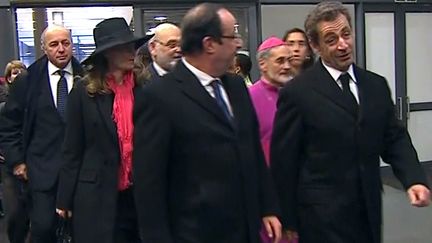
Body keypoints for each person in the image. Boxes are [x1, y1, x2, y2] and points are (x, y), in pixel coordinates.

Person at [270, 2, 430, 243]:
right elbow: (284, 160)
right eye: (331, 39)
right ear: (315, 45)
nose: (343, 44)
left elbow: (393, 137)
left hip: (368, 208)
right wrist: (288, 219)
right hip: (320, 215)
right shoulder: (298, 92)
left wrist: (413, 178)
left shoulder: (374, 85)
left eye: (346, 34)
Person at [133, 3, 281, 243]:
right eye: (232, 36)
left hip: (245, 229)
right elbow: (149, 183)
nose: (239, 43)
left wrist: (268, 207)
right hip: (195, 232)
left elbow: (251, 149)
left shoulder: (236, 87)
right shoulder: (160, 97)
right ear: (209, 44)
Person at [55, 17, 152, 243]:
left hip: (138, 193)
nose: (132, 52)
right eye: (124, 48)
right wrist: (64, 200)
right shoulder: (83, 92)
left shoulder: (144, 87)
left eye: (133, 47)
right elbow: (72, 148)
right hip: (97, 194)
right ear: (108, 53)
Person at [0, 25, 84, 243]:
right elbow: (9, 124)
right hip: (40, 171)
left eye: (65, 43)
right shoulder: (27, 81)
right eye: (54, 44)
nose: (61, 49)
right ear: (44, 48)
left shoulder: (86, 77)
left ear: (72, 45)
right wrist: (17, 161)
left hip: (80, 171)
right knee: (43, 228)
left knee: (81, 230)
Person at [249, 36, 293, 165]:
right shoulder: (249, 97)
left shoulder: (297, 93)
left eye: (289, 60)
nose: (287, 66)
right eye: (280, 61)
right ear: (263, 64)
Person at [0, 60, 30, 243]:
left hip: (29, 158)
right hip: (7, 163)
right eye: (13, 72)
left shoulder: (32, 96)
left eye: (21, 71)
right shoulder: (3, 104)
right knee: (15, 211)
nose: (17, 75)